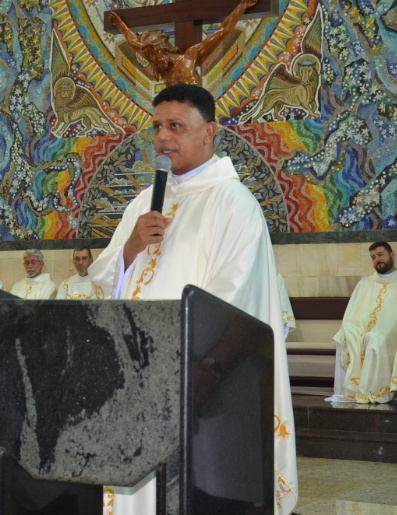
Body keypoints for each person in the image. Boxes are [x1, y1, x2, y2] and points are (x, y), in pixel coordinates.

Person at [90, 83, 297, 515]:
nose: (163, 137)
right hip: (136, 382)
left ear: (210, 132)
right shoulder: (142, 204)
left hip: (202, 389)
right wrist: (129, 250)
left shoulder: (234, 204)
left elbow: (232, 299)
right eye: (157, 126)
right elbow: (104, 280)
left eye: (176, 126)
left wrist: (197, 367)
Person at [107, 0, 258, 87]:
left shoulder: (191, 56)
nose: (152, 60)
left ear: (164, 49)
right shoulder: (160, 65)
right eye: (151, 56)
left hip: (195, 116)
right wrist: (120, 24)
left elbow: (222, 31)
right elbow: (134, 43)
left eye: (154, 54)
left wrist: (243, 6)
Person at [330, 242, 397, 404]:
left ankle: (379, 391)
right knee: (352, 335)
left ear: (392, 255)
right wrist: (352, 328)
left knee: (375, 338)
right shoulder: (365, 283)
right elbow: (352, 314)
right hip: (366, 330)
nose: (377, 260)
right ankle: (361, 390)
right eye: (373, 257)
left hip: (394, 331)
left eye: (380, 255)